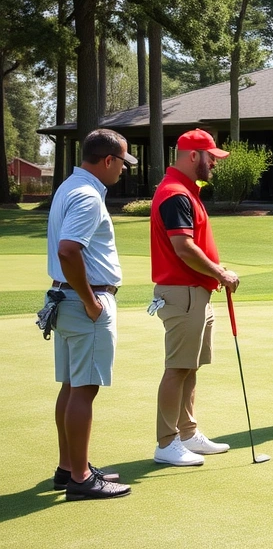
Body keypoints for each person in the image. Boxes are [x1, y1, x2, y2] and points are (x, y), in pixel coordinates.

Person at [46, 129, 134, 500]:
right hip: (85, 302)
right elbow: (69, 250)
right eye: (122, 163)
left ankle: (68, 468)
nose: (124, 171)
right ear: (108, 160)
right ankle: (82, 479)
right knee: (85, 388)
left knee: (71, 385)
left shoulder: (70, 187)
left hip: (64, 301)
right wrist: (91, 301)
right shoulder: (87, 196)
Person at [151, 129, 240, 466]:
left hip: (195, 291)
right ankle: (166, 442)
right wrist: (220, 273)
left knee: (189, 368)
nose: (214, 163)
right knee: (177, 368)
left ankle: (187, 433)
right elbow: (183, 247)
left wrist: (214, 272)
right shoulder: (176, 194)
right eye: (211, 157)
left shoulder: (186, 190)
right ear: (193, 157)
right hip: (183, 292)